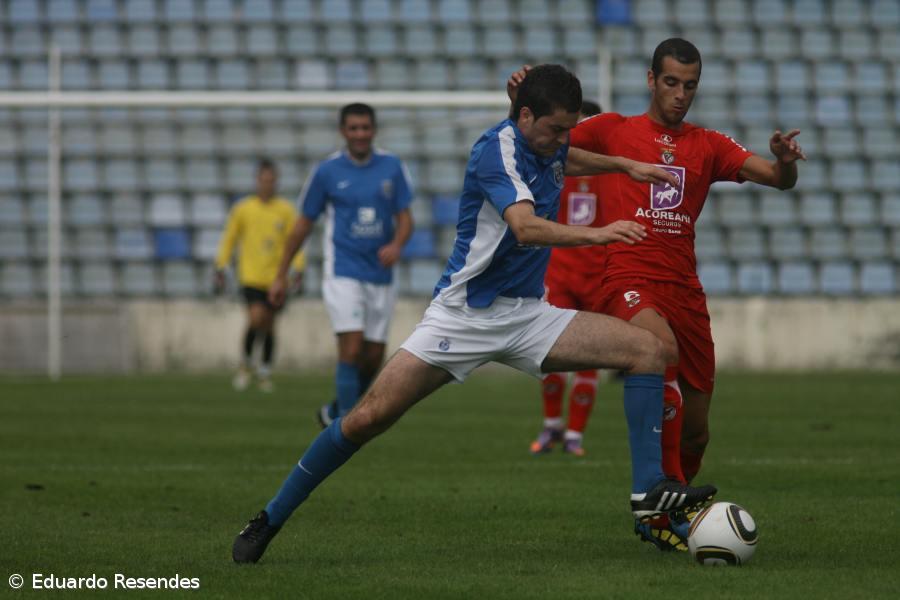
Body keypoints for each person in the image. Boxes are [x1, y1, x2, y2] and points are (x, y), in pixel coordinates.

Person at [232, 65, 717, 564]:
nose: (563, 139)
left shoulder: (546, 142)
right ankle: (269, 517)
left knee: (649, 350)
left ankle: (647, 493)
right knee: (366, 418)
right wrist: (601, 232)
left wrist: (623, 166)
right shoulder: (496, 151)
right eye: (556, 128)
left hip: (528, 316)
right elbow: (525, 228)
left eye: (569, 128)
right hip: (462, 318)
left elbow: (566, 157)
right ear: (525, 116)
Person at [510, 39, 805, 551]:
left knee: (696, 431)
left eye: (689, 86)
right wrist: (519, 104)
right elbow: (539, 143)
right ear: (652, 80)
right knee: (655, 350)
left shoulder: (709, 144)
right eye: (670, 83)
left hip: (684, 288)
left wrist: (785, 162)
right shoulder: (615, 130)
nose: (679, 95)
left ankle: (668, 510)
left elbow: (779, 181)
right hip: (627, 277)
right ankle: (656, 496)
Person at [268, 103, 414, 425]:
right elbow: (302, 225)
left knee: (374, 356)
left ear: (373, 130)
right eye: (354, 128)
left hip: (381, 274)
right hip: (343, 270)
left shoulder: (392, 166)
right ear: (343, 131)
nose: (360, 134)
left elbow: (406, 218)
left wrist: (397, 244)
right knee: (351, 348)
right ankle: (346, 428)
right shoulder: (327, 172)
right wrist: (281, 274)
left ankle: (335, 412)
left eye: (365, 128)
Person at [529, 99, 606, 458]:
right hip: (559, 272)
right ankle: (550, 427)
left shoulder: (611, 173)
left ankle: (575, 434)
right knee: (552, 354)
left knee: (589, 357)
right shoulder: (554, 168)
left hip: (597, 275)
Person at [215, 158, 305, 393]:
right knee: (256, 318)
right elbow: (230, 239)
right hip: (251, 276)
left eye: (271, 181)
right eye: (264, 180)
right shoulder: (243, 209)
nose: (267, 185)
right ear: (257, 181)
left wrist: (299, 267)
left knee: (271, 325)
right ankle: (246, 365)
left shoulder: (285, 210)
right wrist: (221, 265)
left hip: (277, 278)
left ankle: (264, 370)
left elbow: (294, 241)